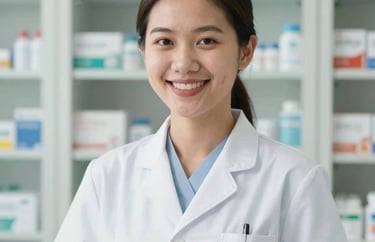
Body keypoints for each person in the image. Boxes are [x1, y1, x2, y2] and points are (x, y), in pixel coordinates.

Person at [55, 0, 348, 241]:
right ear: (144, 51)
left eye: (206, 40)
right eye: (164, 41)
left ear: (245, 51)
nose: (183, 63)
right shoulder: (107, 177)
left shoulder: (295, 179)